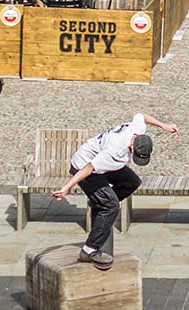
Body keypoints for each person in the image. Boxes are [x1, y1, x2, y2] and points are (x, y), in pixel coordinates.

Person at [53, 109, 179, 269]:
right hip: (83, 167)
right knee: (112, 206)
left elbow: (141, 116)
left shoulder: (137, 130)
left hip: (104, 166)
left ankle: (100, 203)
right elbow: (89, 168)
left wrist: (164, 126)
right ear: (132, 146)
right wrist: (67, 188)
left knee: (132, 182)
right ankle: (89, 249)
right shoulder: (116, 151)